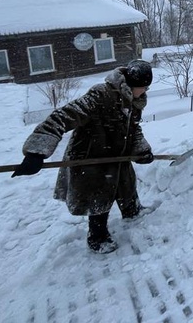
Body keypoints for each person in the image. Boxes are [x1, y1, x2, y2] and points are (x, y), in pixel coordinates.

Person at [11, 59, 155, 254]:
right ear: (131, 85)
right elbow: (62, 116)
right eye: (144, 87)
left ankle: (132, 211)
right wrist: (36, 152)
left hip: (116, 156)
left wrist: (141, 149)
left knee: (126, 183)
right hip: (91, 158)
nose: (145, 91)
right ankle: (97, 237)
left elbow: (133, 129)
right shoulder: (100, 96)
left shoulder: (132, 101)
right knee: (99, 198)